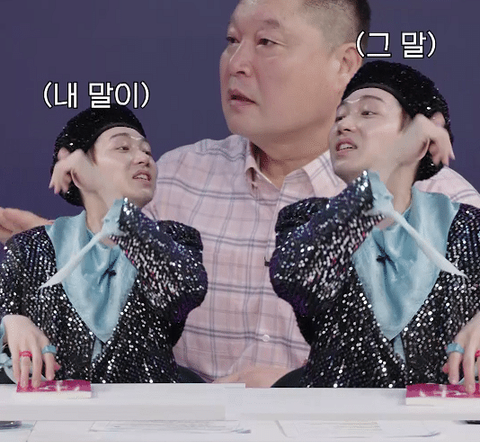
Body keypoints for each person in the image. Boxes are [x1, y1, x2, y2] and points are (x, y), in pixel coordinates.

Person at [3, 0, 480, 387]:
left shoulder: (443, 202)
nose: (237, 64)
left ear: (344, 64)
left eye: (267, 42)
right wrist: (61, 256)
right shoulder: (175, 178)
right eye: (232, 41)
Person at [269, 61, 480, 393]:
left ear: (420, 144)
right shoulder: (307, 219)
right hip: (334, 420)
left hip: (446, 422)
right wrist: (379, 175)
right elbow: (296, 276)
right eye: (339, 117)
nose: (344, 124)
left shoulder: (467, 227)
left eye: (367, 112)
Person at [0, 105, 208, 387]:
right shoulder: (31, 248)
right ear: (77, 173)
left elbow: (183, 288)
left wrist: (112, 201)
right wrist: (10, 324)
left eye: (147, 151)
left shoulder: (175, 239)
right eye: (122, 148)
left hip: (148, 411)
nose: (143, 158)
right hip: (56, 413)